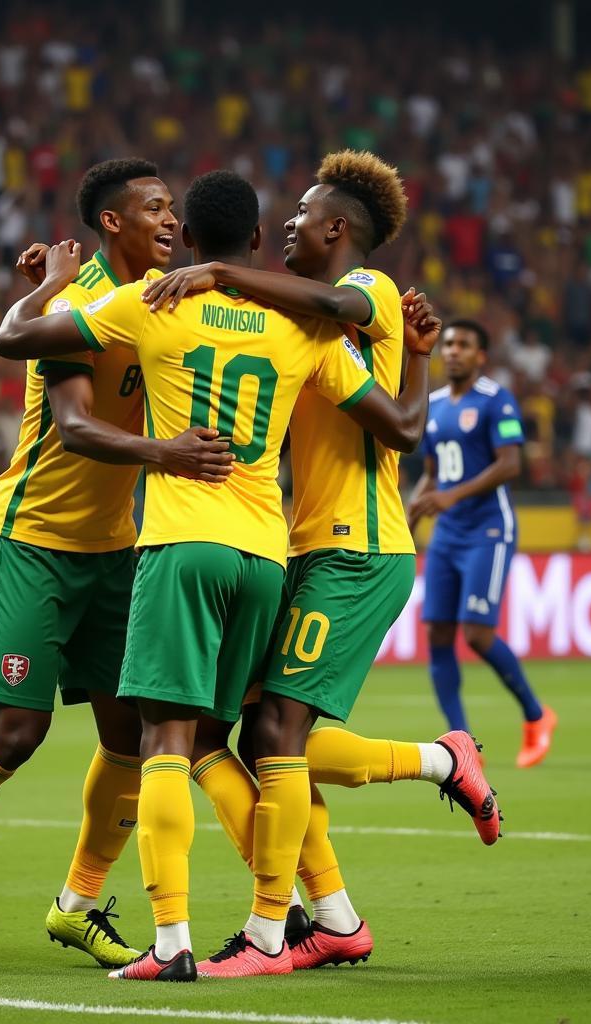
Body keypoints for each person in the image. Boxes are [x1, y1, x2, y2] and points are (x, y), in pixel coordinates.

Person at [0, 169, 439, 981]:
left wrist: (52, 288)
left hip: (181, 543)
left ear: (191, 243)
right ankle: (294, 917)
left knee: (170, 740)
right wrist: (417, 359)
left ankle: (172, 944)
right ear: (260, 242)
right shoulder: (299, 326)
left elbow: (15, 342)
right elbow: (400, 425)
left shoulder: (155, 300)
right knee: (252, 743)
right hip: (268, 558)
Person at [144, 151, 500, 972]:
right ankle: (429, 780)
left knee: (275, 731)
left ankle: (275, 933)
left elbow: (385, 392)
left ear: (337, 228)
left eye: (302, 216)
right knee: (225, 731)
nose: (290, 227)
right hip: (302, 547)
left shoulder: (367, 290)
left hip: (359, 546)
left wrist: (217, 272)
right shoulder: (300, 327)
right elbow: (400, 413)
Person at [0, 159, 231, 969]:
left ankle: (77, 901)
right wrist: (168, 455)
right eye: (153, 208)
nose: (170, 221)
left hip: (115, 548)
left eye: (173, 210)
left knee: (137, 733)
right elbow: (76, 428)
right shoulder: (78, 309)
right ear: (109, 223)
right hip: (32, 540)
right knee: (18, 731)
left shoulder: (162, 303)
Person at [407, 320, 557, 768]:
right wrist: (411, 513)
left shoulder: (496, 400)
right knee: (436, 632)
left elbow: (510, 465)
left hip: (489, 528)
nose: (452, 351)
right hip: (448, 534)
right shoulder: (431, 405)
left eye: (464, 345)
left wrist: (452, 494)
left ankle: (536, 715)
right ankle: (464, 744)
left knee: (475, 633)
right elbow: (434, 473)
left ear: (481, 355)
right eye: (449, 344)